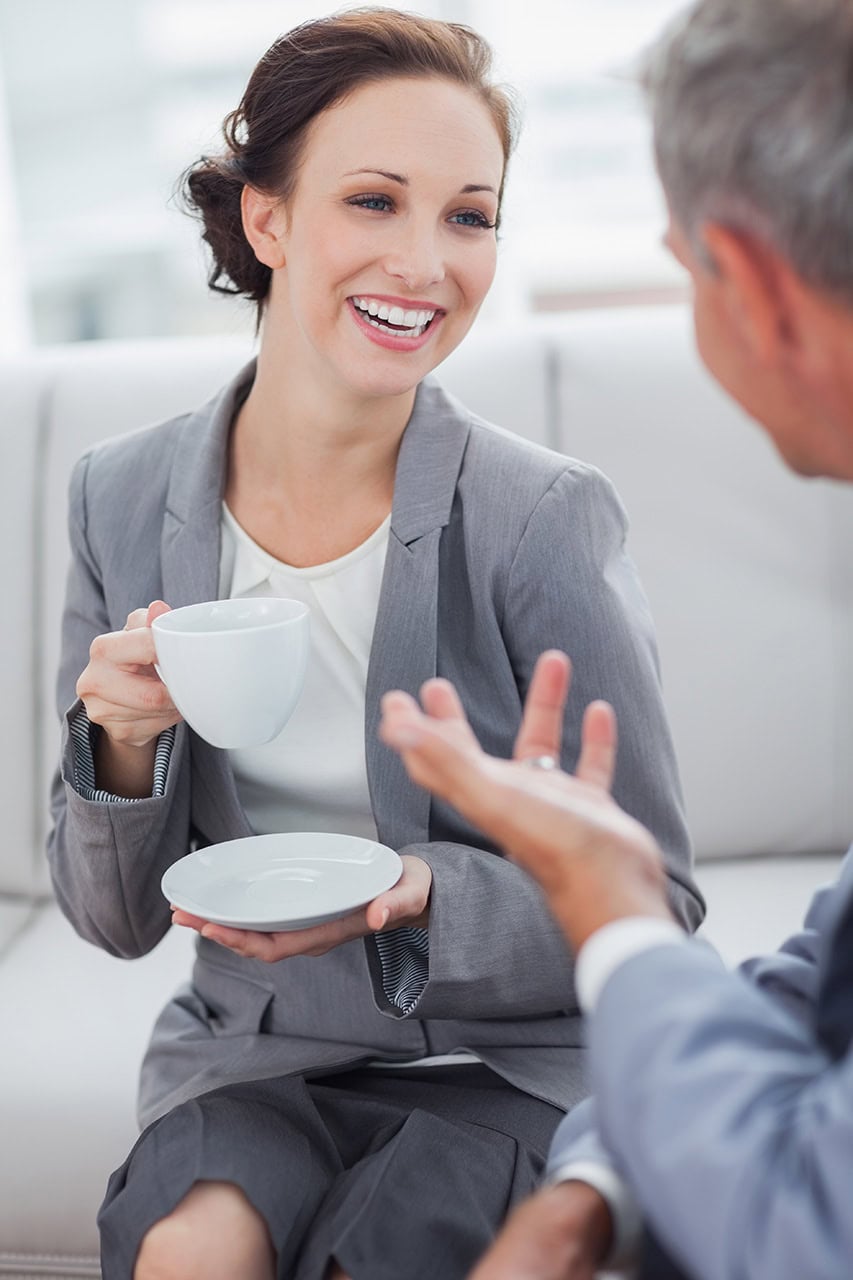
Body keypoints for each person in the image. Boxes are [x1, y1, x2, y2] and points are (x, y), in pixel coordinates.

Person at [46, 10, 701, 1280]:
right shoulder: (119, 499)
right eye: (373, 201)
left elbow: (656, 907)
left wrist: (424, 893)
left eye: (468, 215)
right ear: (268, 221)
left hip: (512, 1059)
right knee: (191, 1254)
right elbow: (112, 921)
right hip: (257, 1051)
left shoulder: (538, 517)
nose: (424, 263)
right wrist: (120, 749)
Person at [379, 1, 853, 1277]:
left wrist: (609, 904)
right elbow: (829, 980)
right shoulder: (134, 492)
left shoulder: (540, 506)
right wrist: (593, 1180)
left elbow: (811, 1217)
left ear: (749, 284)